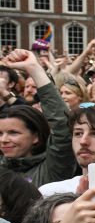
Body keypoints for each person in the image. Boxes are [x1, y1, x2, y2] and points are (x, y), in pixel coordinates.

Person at [0, 50, 75, 188]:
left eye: (13, 133)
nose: (4, 139)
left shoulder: (53, 168)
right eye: (0, 134)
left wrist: (34, 69)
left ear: (35, 136)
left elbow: (62, 126)